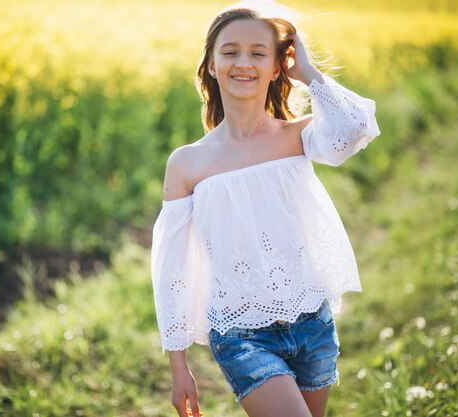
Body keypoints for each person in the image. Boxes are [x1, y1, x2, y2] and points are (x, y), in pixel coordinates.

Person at [150, 2, 380, 417]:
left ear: (277, 66)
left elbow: (356, 129)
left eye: (259, 52)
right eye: (230, 51)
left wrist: (308, 72)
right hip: (241, 335)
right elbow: (172, 268)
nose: (244, 62)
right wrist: (178, 363)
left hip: (313, 323)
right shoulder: (186, 163)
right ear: (211, 65)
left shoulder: (298, 135)